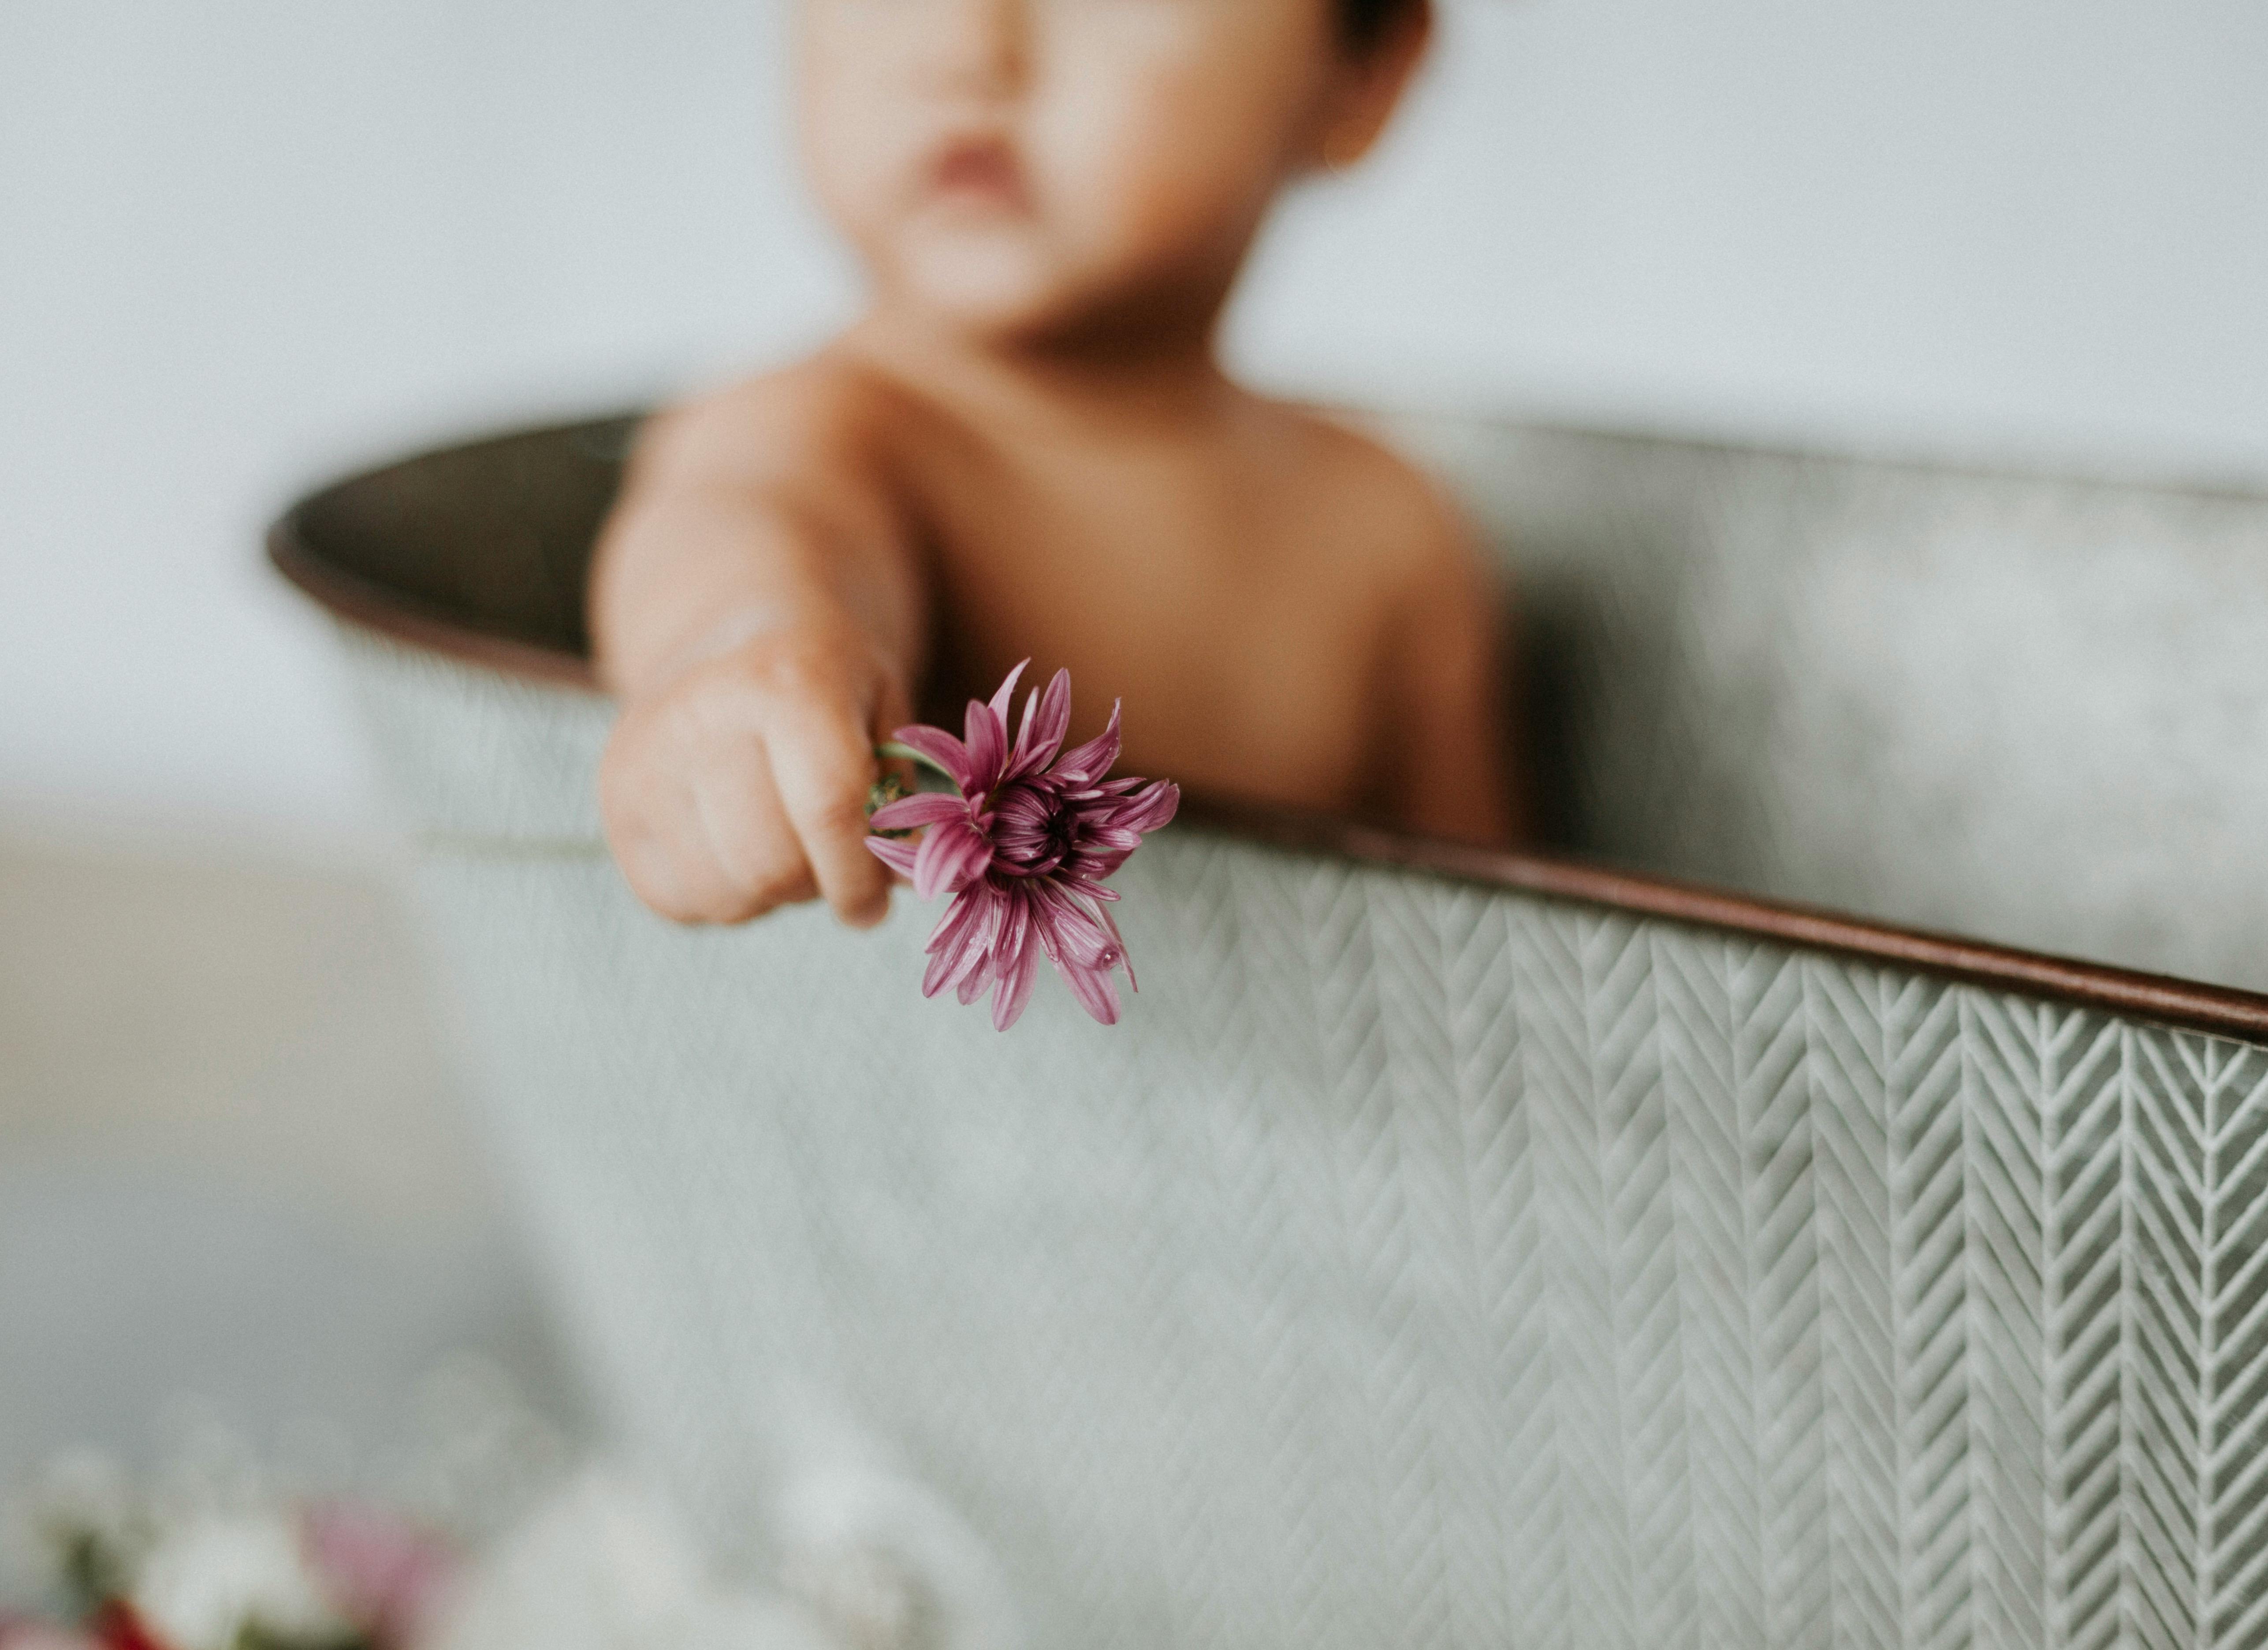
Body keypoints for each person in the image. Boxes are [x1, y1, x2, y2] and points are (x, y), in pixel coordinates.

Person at [591, 0, 1516, 931]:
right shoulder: (820, 430)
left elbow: (1490, 942)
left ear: (1366, 74)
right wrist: (747, 648)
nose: (965, 48)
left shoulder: (1386, 526)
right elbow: (749, 528)